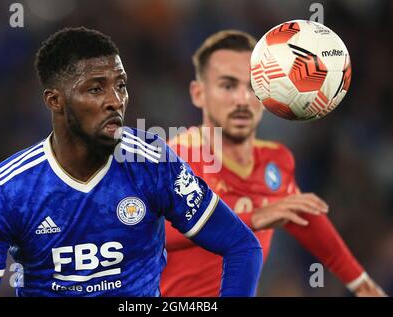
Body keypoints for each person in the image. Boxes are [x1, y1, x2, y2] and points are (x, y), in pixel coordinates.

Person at [0, 27, 263, 297]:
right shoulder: (9, 189)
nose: (115, 100)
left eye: (121, 84)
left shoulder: (152, 162)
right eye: (96, 88)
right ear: (54, 101)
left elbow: (242, 247)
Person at [160, 30, 386, 297]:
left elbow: (303, 218)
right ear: (199, 94)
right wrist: (255, 217)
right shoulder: (176, 159)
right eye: (228, 86)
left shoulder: (276, 160)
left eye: (253, 86)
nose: (242, 99)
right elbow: (155, 234)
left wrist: (361, 283)